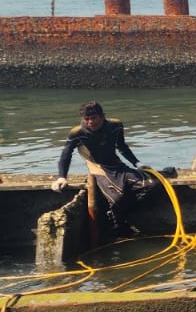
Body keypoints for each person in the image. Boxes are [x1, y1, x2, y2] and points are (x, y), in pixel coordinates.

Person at [53, 100, 151, 234]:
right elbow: (66, 155)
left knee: (149, 184)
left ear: (102, 116)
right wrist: (62, 177)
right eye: (86, 119)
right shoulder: (77, 132)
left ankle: (120, 213)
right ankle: (118, 225)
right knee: (117, 198)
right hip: (98, 169)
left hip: (116, 165)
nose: (90, 122)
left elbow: (122, 146)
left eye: (93, 118)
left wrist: (137, 163)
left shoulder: (115, 125)